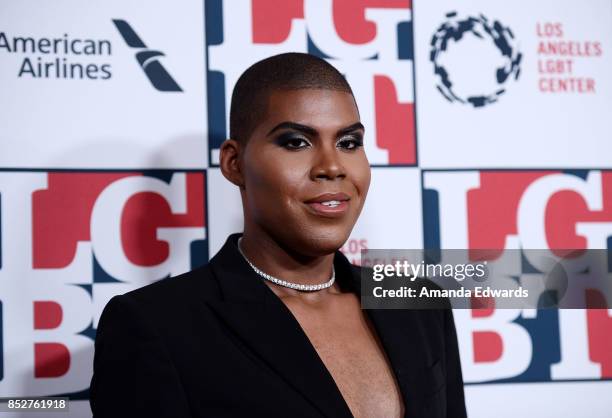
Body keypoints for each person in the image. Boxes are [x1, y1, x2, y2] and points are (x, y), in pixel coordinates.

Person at [89, 52, 467, 418]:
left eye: (348, 143)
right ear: (234, 164)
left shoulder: (418, 302)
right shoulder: (156, 326)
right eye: (296, 142)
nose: (332, 167)